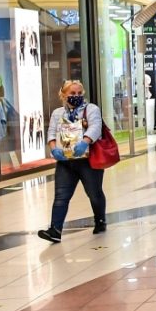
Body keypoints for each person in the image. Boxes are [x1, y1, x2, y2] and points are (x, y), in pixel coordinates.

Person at [37, 80, 107, 242]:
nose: (76, 96)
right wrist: (53, 149)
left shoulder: (91, 109)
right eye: (72, 93)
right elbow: (51, 132)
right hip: (65, 162)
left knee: (94, 193)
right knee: (61, 196)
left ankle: (100, 220)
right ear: (63, 95)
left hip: (88, 161)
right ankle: (55, 230)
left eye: (79, 93)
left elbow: (95, 127)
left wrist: (85, 142)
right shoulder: (57, 113)